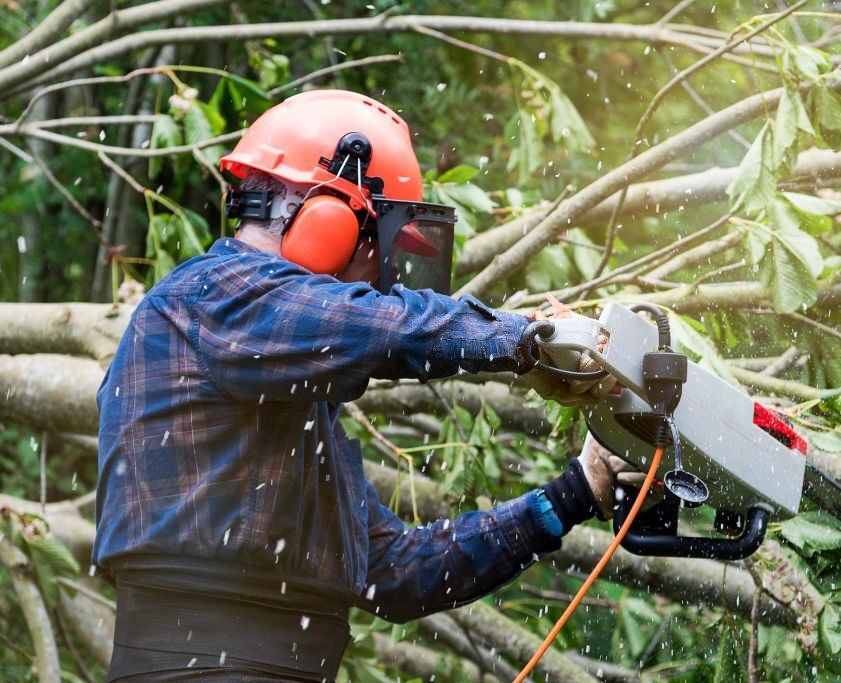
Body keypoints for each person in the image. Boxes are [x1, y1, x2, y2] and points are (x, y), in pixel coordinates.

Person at [93, 89, 640, 682]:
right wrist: (531, 340)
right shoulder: (214, 296)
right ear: (328, 221)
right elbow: (390, 328)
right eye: (382, 244)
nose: (383, 277)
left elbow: (394, 572)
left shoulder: (284, 393)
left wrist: (578, 491)